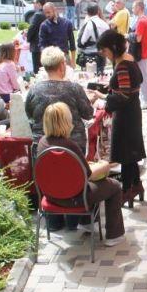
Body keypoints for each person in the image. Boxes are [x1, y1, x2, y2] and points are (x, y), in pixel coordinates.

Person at [38, 102, 125, 246]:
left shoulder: (42, 143)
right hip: (75, 198)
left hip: (51, 197)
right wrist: (104, 165)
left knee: (88, 183)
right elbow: (88, 174)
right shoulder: (69, 146)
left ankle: (87, 223)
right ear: (66, 122)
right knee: (114, 185)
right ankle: (114, 235)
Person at [97, 31, 146, 205]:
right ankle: (136, 185)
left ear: (113, 47)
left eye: (104, 50)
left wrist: (103, 98)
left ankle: (126, 191)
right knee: (130, 153)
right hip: (133, 112)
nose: (104, 54)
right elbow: (129, 88)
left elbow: (124, 95)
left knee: (126, 154)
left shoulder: (122, 65)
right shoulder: (129, 59)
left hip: (125, 116)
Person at [25, 46, 94, 152]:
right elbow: (88, 114)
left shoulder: (34, 90)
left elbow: (29, 115)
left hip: (42, 146)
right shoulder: (74, 88)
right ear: (62, 65)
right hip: (72, 146)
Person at [76, 1, 110, 73]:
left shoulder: (88, 24)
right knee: (101, 77)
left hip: (90, 57)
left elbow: (81, 42)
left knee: (89, 78)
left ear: (87, 13)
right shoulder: (105, 24)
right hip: (102, 56)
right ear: (98, 11)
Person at [131, 0, 147, 110]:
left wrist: (128, 36)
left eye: (134, 7)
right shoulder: (145, 20)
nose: (132, 9)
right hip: (144, 51)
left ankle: (146, 100)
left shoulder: (141, 21)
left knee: (143, 77)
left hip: (141, 52)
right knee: (142, 76)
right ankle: (144, 99)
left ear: (139, 7)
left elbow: (138, 38)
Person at [27, 0, 46, 74]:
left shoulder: (38, 15)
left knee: (37, 69)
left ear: (39, 4)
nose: (33, 5)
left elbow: (32, 28)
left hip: (37, 45)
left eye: (34, 3)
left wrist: (28, 38)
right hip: (46, 45)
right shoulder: (47, 13)